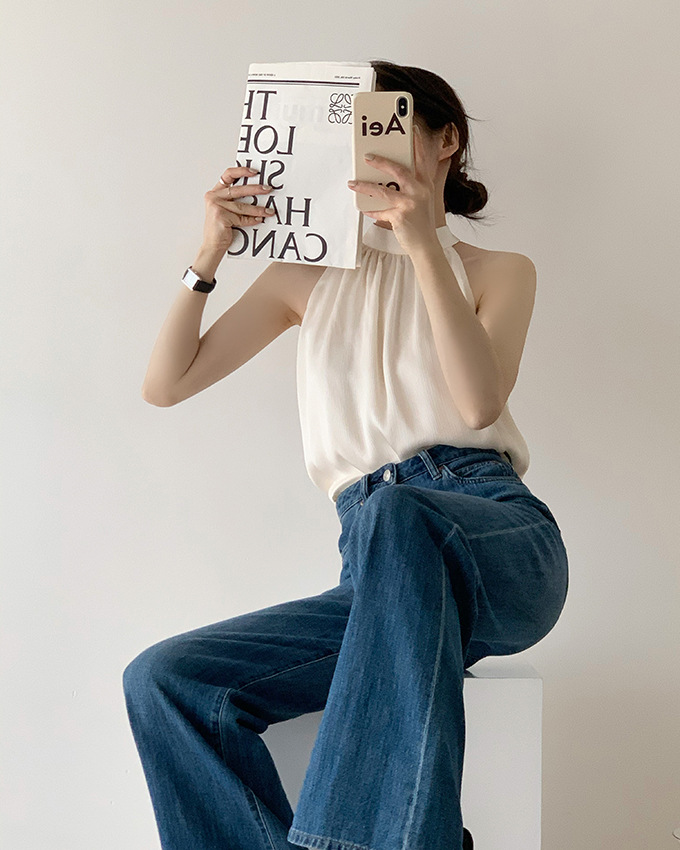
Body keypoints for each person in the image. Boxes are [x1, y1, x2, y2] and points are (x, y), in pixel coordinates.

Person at [123, 60, 569, 850]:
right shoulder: (304, 278)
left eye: (380, 125)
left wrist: (421, 241)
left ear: (445, 140)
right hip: (375, 564)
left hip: (490, 536)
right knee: (167, 682)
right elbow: (166, 383)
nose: (363, 151)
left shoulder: (499, 271)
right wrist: (211, 251)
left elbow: (477, 404)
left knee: (400, 510)